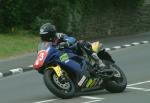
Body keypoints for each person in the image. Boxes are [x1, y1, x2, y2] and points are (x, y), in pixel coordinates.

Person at [39, 22, 106, 74]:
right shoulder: (44, 45)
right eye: (43, 36)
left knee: (81, 43)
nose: (44, 38)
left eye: (45, 36)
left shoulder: (59, 36)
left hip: (73, 51)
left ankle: (99, 62)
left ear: (51, 34)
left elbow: (71, 38)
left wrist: (67, 42)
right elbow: (43, 53)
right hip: (62, 57)